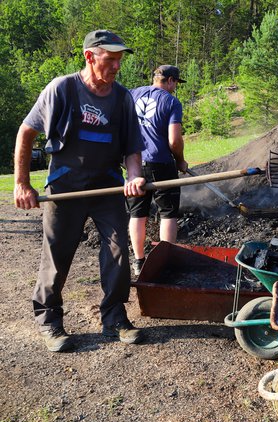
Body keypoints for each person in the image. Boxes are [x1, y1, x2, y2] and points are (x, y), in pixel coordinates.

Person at [13, 30, 147, 352]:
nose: (117, 67)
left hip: (107, 186)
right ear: (90, 56)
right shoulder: (62, 88)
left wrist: (133, 177)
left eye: (119, 60)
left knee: (118, 250)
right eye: (110, 60)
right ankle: (49, 321)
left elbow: (131, 149)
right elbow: (26, 132)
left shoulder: (123, 98)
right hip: (65, 188)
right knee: (57, 257)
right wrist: (21, 183)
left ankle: (114, 317)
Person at [128, 65, 188, 276]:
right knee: (168, 214)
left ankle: (138, 262)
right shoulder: (171, 102)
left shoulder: (132, 94)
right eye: (175, 84)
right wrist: (180, 160)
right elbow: (174, 140)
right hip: (161, 162)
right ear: (170, 80)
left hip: (134, 164)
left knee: (137, 213)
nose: (175, 88)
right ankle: (165, 264)